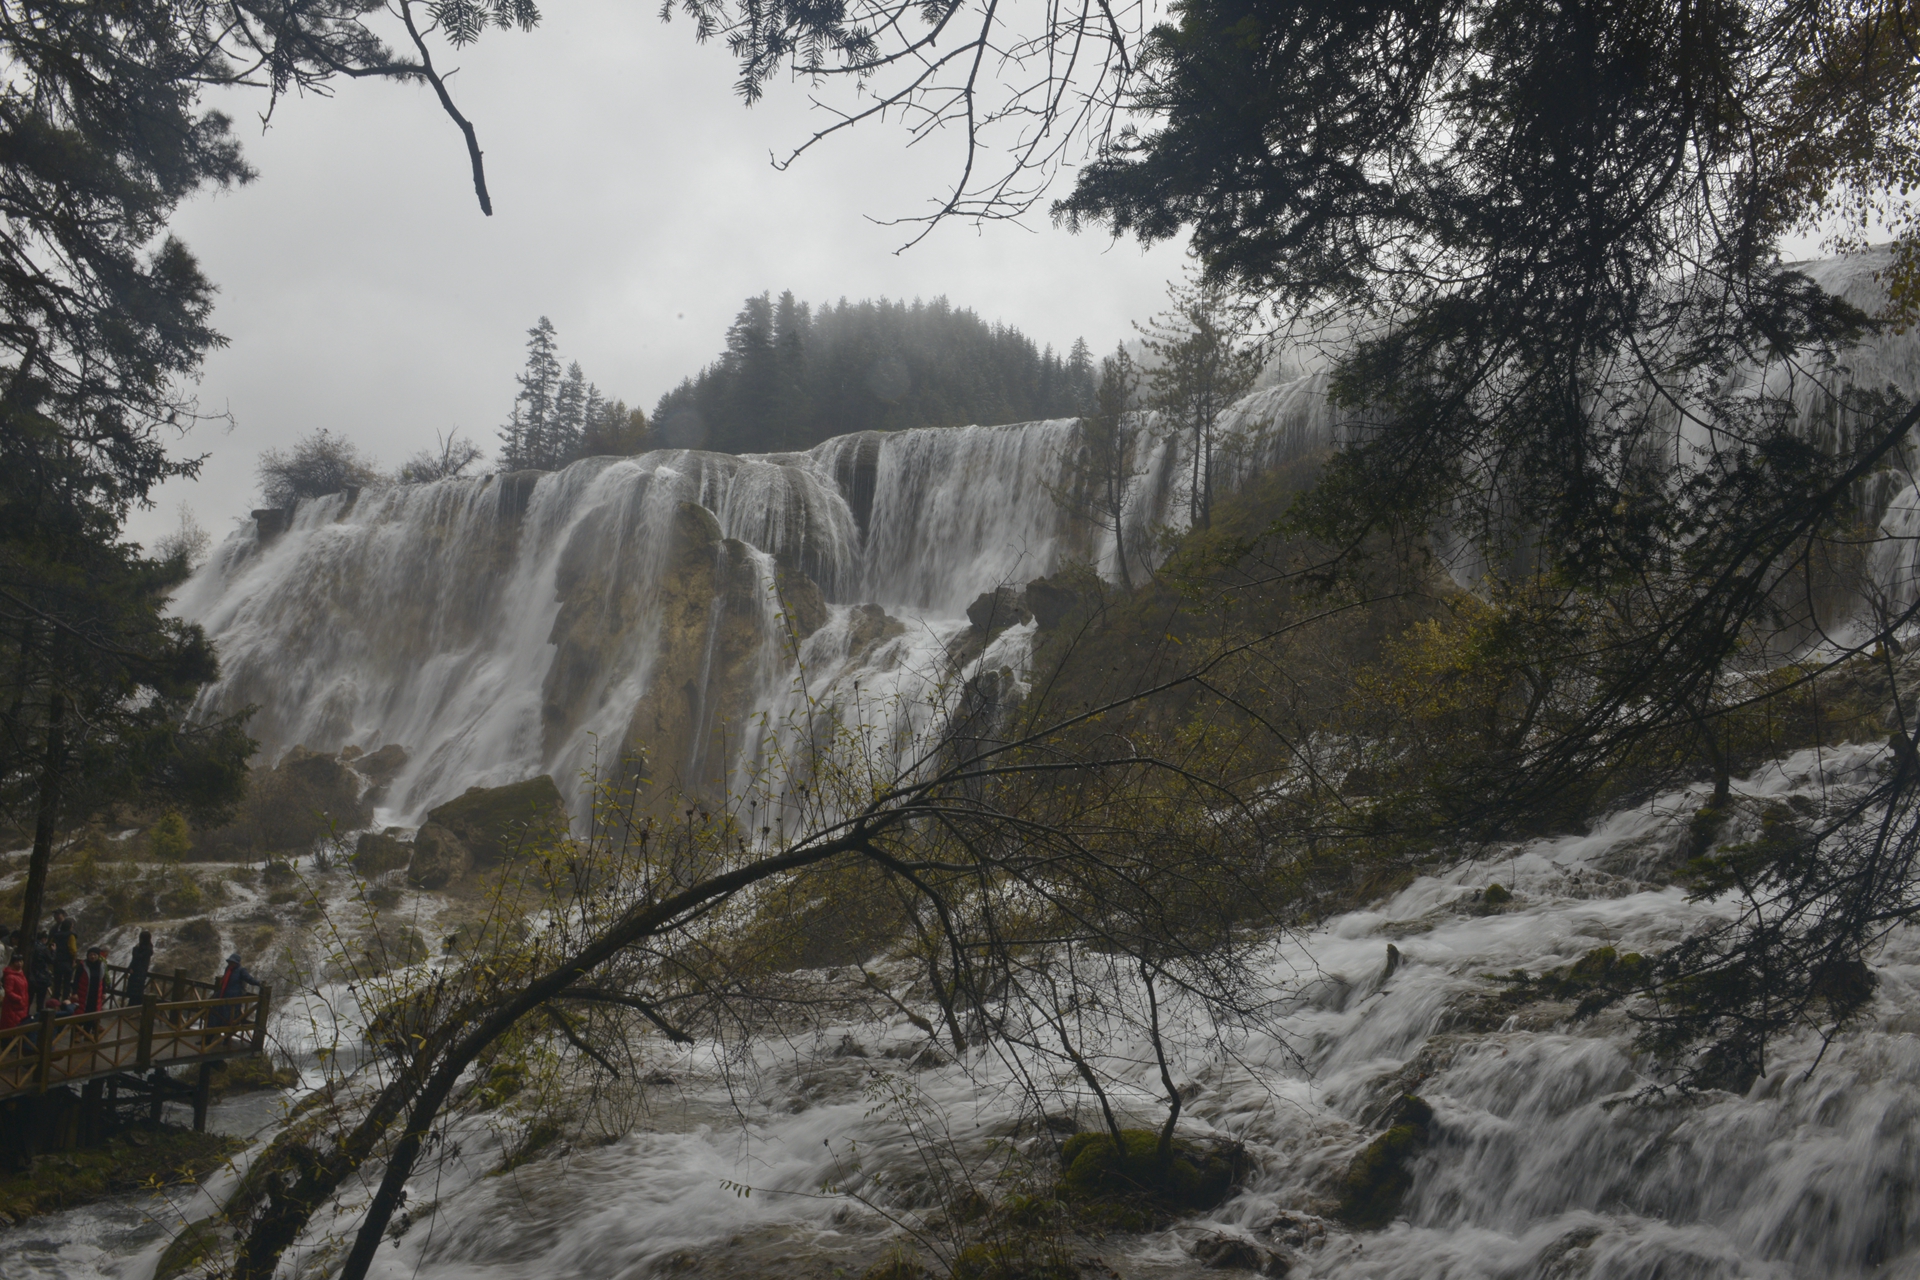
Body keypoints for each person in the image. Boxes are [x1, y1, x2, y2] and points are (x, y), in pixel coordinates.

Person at [209, 953, 259, 1043]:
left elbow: (249, 979)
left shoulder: (241, 970)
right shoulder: (228, 969)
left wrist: (259, 983)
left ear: (237, 963)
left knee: (229, 1020)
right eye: (230, 962)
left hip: (233, 999)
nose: (230, 963)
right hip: (223, 997)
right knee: (215, 1017)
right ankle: (208, 1040)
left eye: (232, 962)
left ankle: (226, 1041)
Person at [48, 909, 75, 999]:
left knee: (59, 982)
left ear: (63, 915)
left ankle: (59, 1000)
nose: (56, 917)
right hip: (64, 960)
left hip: (58, 960)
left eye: (58, 915)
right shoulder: (55, 929)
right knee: (63, 982)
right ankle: (61, 1000)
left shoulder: (61, 929)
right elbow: (73, 949)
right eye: (55, 916)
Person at [124, 929, 153, 1005]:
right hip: (139, 972)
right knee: (135, 993)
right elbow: (135, 959)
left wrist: (135, 949)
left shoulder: (146, 949)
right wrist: (130, 968)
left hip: (139, 973)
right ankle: (133, 1009)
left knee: (136, 993)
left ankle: (134, 1009)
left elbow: (137, 958)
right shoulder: (147, 948)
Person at [0, 953, 27, 1030]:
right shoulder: (10, 976)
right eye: (17, 962)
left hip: (22, 1007)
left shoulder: (21, 973)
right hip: (13, 1007)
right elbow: (9, 992)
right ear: (12, 963)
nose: (20, 964)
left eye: (21, 961)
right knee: (11, 1026)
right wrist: (20, 999)